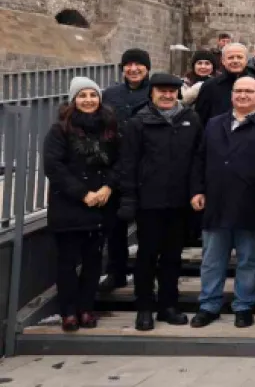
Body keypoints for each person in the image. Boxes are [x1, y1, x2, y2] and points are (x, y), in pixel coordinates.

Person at [190, 76, 255, 329]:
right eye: (238, 91)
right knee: (212, 260)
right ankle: (208, 305)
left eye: (249, 91)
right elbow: (200, 159)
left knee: (249, 260)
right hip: (216, 202)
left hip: (253, 204)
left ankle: (244, 306)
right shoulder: (213, 123)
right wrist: (197, 190)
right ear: (231, 95)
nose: (243, 95)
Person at [117, 73, 202, 331]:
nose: (167, 95)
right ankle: (144, 307)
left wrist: (196, 192)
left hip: (179, 202)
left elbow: (198, 159)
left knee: (173, 257)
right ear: (152, 93)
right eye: (161, 91)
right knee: (146, 257)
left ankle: (168, 305)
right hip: (148, 202)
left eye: (171, 91)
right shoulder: (137, 122)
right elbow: (128, 163)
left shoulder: (191, 119)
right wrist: (129, 199)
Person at [45, 77, 120, 332]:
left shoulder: (110, 128)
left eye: (92, 95)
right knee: (67, 262)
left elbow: (118, 162)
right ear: (73, 100)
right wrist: (83, 194)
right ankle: (68, 312)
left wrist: (108, 187)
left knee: (93, 262)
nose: (88, 100)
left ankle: (86, 309)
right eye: (82, 95)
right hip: (70, 205)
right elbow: (54, 166)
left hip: (101, 203)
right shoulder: (60, 130)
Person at [99, 48, 152, 290]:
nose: (133, 69)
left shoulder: (156, 92)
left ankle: (146, 274)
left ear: (147, 68)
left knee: (148, 227)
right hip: (116, 166)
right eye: (128, 65)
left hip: (147, 168)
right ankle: (116, 271)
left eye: (138, 65)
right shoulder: (111, 94)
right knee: (114, 226)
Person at [194, 43, 250, 126]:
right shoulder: (209, 86)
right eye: (230, 57)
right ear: (223, 61)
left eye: (239, 57)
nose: (235, 61)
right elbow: (200, 120)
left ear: (246, 60)